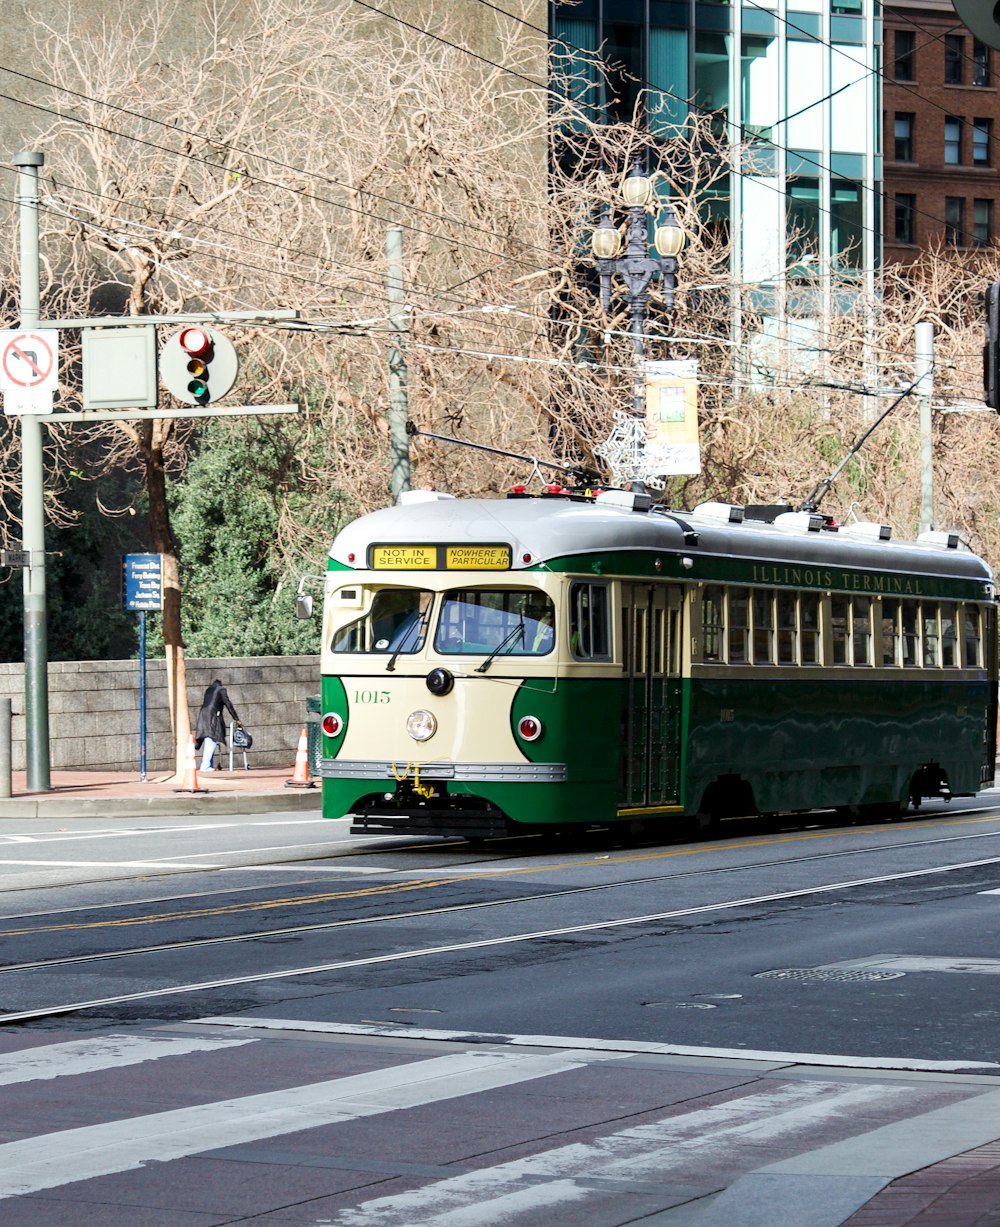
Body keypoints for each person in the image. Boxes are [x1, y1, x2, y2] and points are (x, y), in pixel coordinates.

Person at [195, 679, 241, 772]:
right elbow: (228, 704)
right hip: (213, 715)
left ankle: (209, 765)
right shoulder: (221, 690)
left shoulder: (208, 689)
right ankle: (205, 765)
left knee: (208, 738)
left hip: (203, 714)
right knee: (212, 737)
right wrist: (236, 718)